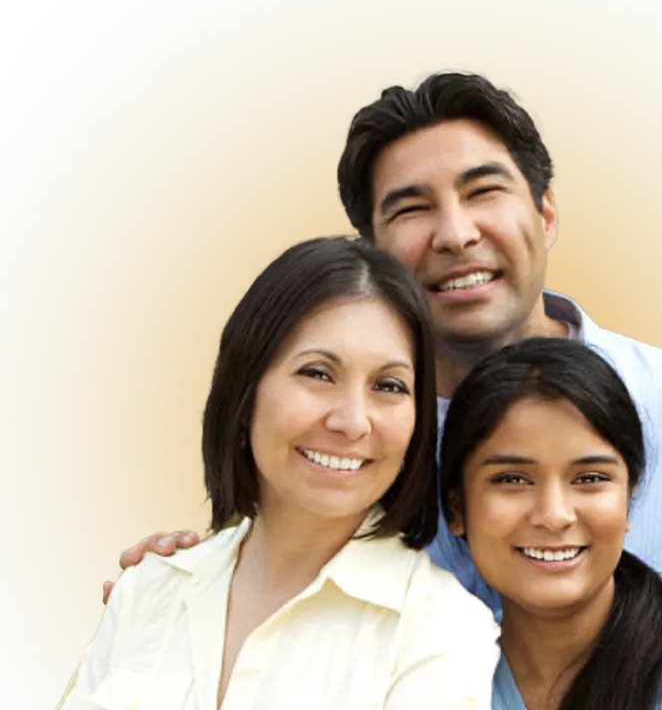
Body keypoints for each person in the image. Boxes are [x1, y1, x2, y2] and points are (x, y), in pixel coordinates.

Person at [110, 72, 662, 708]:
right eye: (411, 209)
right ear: (374, 255)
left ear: (545, 214)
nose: (454, 234)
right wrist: (198, 574)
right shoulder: (361, 444)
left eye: (485, 192)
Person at [59, 236, 500, 710]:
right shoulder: (147, 590)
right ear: (246, 390)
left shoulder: (440, 632)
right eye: (318, 373)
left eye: (388, 386)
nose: (352, 421)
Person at [440, 336, 662, 709]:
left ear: (630, 496)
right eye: (512, 479)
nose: (555, 515)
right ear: (457, 507)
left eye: (590, 479)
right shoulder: (427, 671)